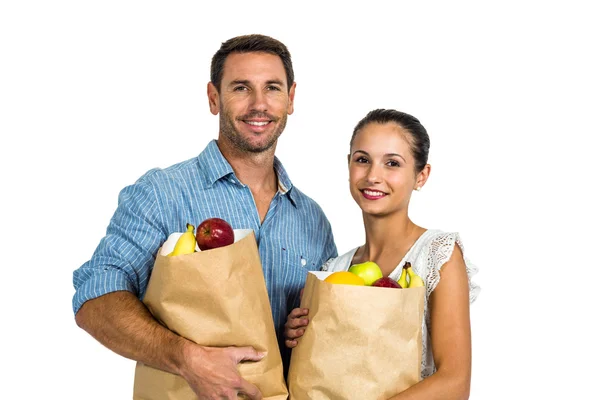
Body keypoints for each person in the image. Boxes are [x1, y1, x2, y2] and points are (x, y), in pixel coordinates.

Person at [72, 34, 337, 399]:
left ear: (291, 99)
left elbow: (322, 340)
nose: (259, 104)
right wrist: (185, 357)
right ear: (214, 98)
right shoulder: (162, 193)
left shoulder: (313, 219)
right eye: (241, 88)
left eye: (272, 88)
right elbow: (94, 299)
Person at [284, 109, 480, 399]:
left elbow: (455, 382)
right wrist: (296, 336)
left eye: (392, 163)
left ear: (421, 176)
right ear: (348, 165)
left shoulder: (437, 255)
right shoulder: (336, 267)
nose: (373, 176)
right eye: (362, 160)